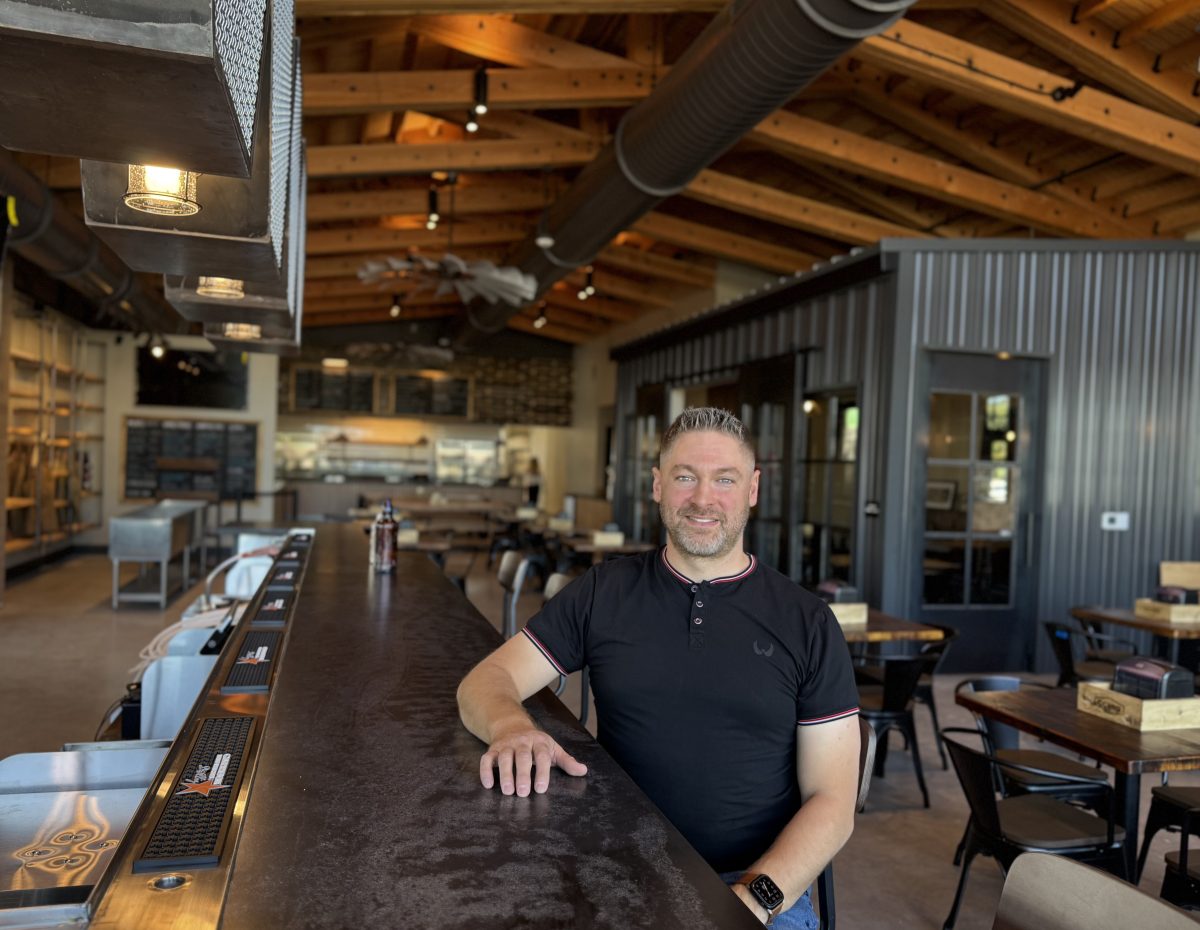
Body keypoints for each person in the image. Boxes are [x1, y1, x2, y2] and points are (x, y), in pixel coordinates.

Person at [457, 407, 860, 927]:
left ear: (753, 489)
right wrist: (511, 727)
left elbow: (832, 802)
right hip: (618, 873)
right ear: (657, 485)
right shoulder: (605, 592)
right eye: (685, 477)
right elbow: (486, 680)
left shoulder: (807, 621)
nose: (702, 499)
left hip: (754, 889)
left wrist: (749, 901)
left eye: (725, 480)